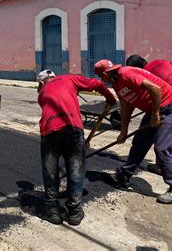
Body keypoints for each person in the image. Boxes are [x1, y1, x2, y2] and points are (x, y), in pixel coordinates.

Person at [94, 59, 172, 204]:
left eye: (100, 76)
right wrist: (123, 131)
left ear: (106, 74)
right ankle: (123, 176)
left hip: (168, 106)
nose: (100, 79)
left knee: (162, 148)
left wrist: (155, 114)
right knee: (139, 143)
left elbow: (155, 89)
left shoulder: (126, 74)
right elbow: (126, 107)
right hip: (153, 109)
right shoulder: (116, 83)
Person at [37, 69, 116, 225]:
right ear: (54, 76)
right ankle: (74, 211)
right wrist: (110, 99)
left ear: (41, 83)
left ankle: (52, 210)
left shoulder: (42, 94)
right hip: (73, 129)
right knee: (76, 169)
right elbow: (98, 84)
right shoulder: (69, 78)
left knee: (50, 171)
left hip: (50, 131)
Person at [126, 55, 172, 184]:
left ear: (135, 68)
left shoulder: (144, 74)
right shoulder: (162, 61)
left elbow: (155, 92)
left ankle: (160, 166)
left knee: (163, 134)